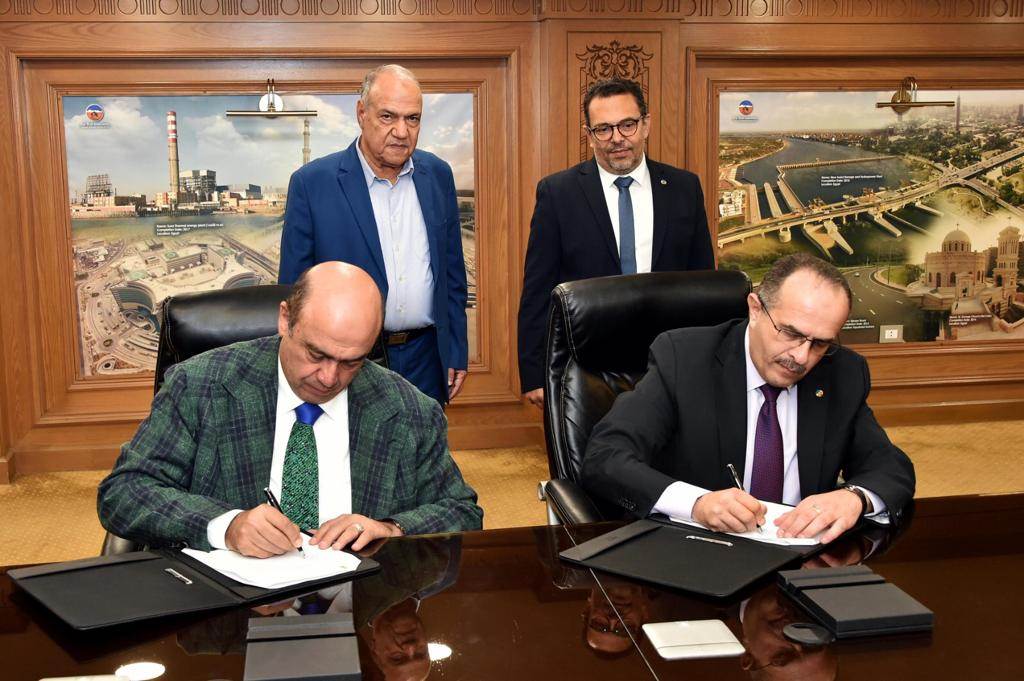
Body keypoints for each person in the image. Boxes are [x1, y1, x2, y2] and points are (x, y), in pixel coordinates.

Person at [98, 262, 482, 556]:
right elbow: (124, 492)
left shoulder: (410, 410)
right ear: (285, 319)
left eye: (351, 362)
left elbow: (461, 512)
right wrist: (226, 526)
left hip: (359, 604)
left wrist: (392, 529)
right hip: (228, 606)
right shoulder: (200, 385)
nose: (329, 378)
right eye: (316, 354)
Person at [582, 253, 915, 545]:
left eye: (820, 343)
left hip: (801, 557)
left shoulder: (841, 372)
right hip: (698, 553)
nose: (801, 357)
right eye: (791, 333)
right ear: (755, 309)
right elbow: (606, 456)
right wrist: (697, 503)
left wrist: (854, 498)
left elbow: (890, 466)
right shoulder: (684, 359)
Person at [517, 77, 715, 409]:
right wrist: (535, 373)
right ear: (589, 134)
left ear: (646, 124)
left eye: (627, 125)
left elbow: (703, 283)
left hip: (671, 365)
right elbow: (538, 289)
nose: (617, 138)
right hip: (585, 369)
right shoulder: (558, 193)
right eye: (603, 129)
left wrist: (709, 359)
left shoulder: (684, 188)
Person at [278, 64, 468, 406]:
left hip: (427, 356)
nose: (401, 131)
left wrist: (455, 349)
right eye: (388, 116)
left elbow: (452, 275)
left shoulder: (438, 175)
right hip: (347, 362)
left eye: (412, 119)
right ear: (361, 113)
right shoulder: (313, 183)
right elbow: (294, 288)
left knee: (423, 440)